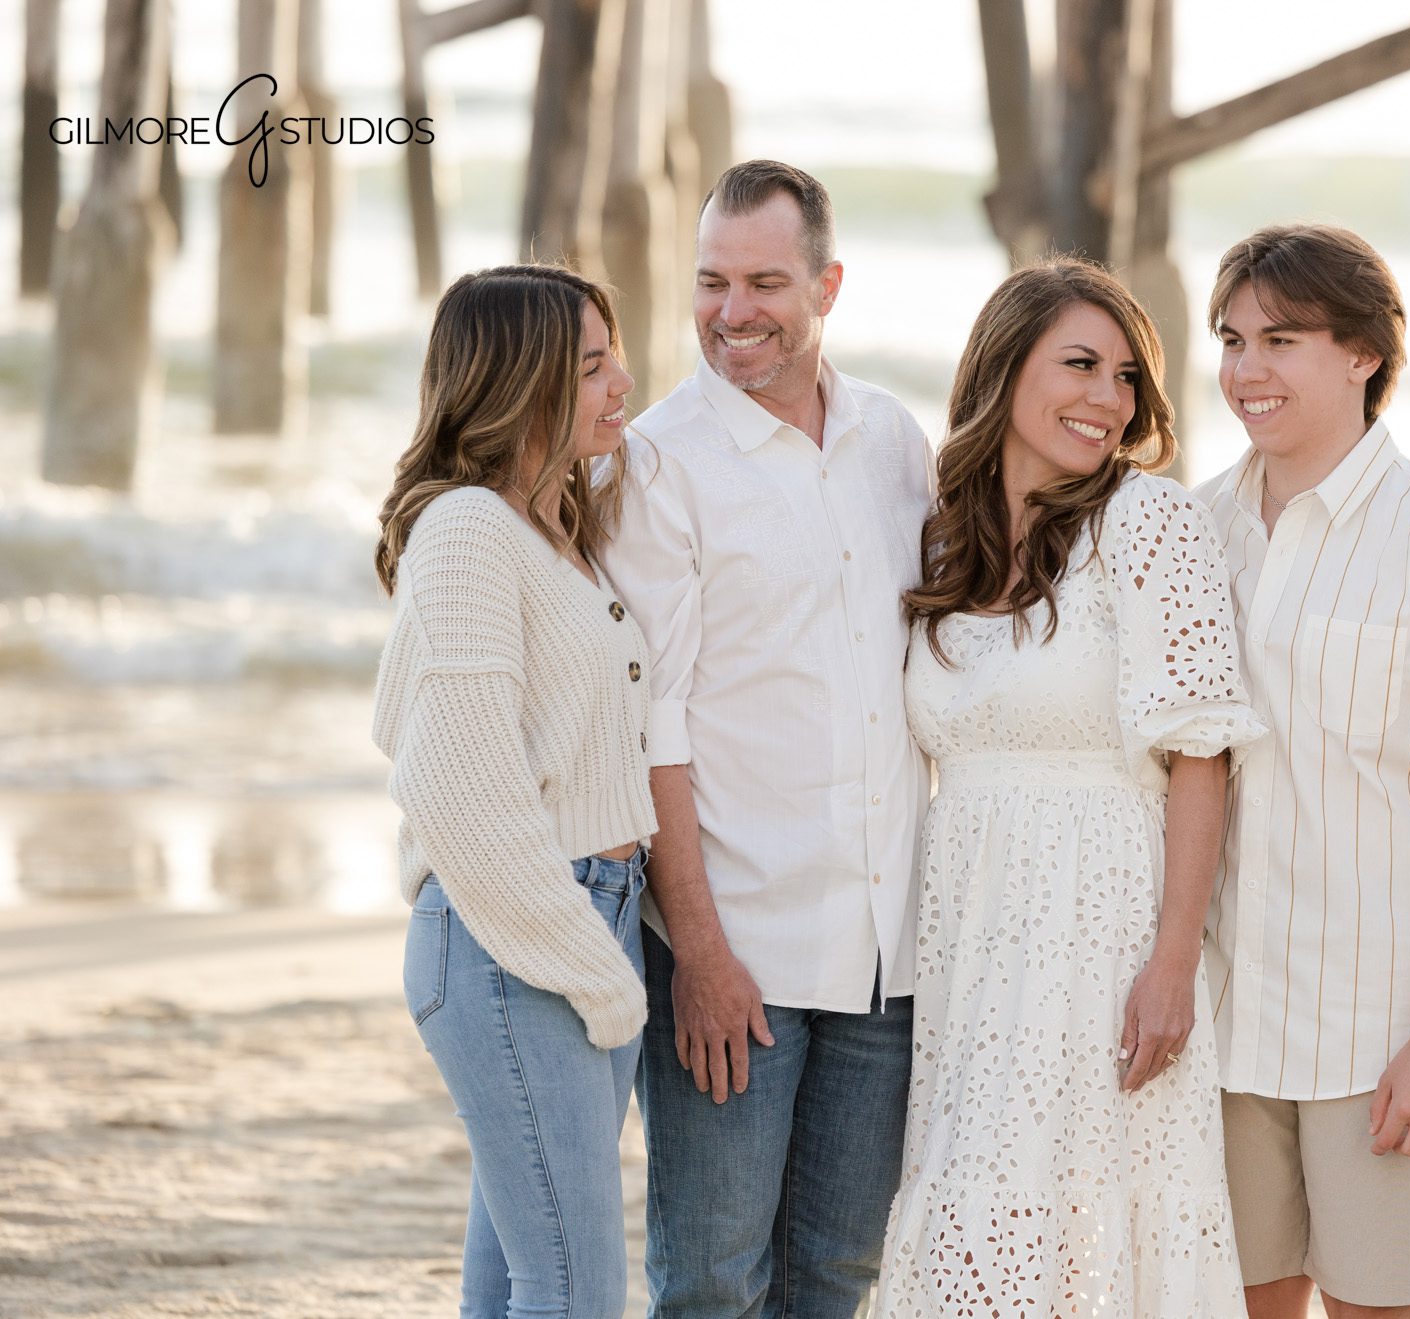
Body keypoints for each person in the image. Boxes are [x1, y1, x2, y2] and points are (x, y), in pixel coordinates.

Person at [875, 258, 1268, 1316]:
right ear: (1003, 370)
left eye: (1127, 376)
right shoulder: (943, 536)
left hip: (1101, 931)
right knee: (974, 1219)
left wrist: (1173, 963)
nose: (1110, 399)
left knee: (1093, 1221)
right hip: (970, 938)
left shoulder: (1149, 522)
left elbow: (1201, 758)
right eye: (1081, 365)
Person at [1193, 224, 1410, 1319]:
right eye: (1230, 339)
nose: (1245, 370)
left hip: (1377, 1032)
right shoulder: (1193, 531)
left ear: (1363, 354)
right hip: (1224, 1024)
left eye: (1280, 340)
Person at [605, 160, 932, 1318]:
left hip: (884, 953)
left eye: (763, 283)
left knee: (836, 1274)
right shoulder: (655, 462)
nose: (731, 311)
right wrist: (697, 949)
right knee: (712, 1282)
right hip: (734, 946)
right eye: (710, 281)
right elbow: (650, 724)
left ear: (826, 287)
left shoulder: (893, 439)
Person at [371, 263, 655, 1319]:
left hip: (575, 922)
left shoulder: (548, 526)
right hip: (514, 939)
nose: (622, 381)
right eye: (591, 366)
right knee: (574, 1288)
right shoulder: (467, 532)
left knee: (517, 1284)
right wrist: (593, 965)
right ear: (519, 380)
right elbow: (462, 791)